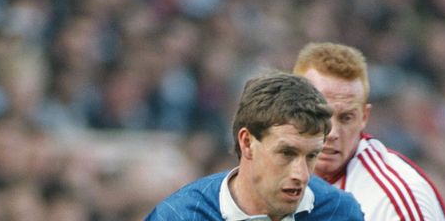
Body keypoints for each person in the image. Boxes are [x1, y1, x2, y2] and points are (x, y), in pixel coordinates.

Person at [144, 70, 364, 221]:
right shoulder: (180, 216)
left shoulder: (340, 212)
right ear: (247, 142)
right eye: (287, 153)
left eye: (312, 155)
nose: (301, 174)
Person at [293, 42, 445, 221]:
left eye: (346, 118)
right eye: (320, 115)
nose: (332, 132)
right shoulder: (265, 177)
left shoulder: (394, 199)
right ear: (293, 111)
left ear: (364, 117)